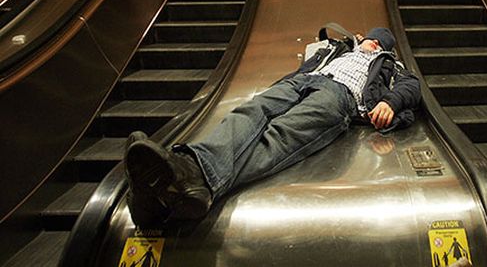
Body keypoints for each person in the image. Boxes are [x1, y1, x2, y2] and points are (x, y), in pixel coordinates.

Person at [124, 26, 421, 225]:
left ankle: (177, 181)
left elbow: (412, 86)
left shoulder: (390, 65)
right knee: (250, 111)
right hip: (301, 81)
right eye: (373, 40)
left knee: (281, 134)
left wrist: (391, 102)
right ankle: (186, 184)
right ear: (362, 37)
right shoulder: (339, 49)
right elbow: (310, 61)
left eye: (382, 44)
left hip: (340, 95)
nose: (376, 45)